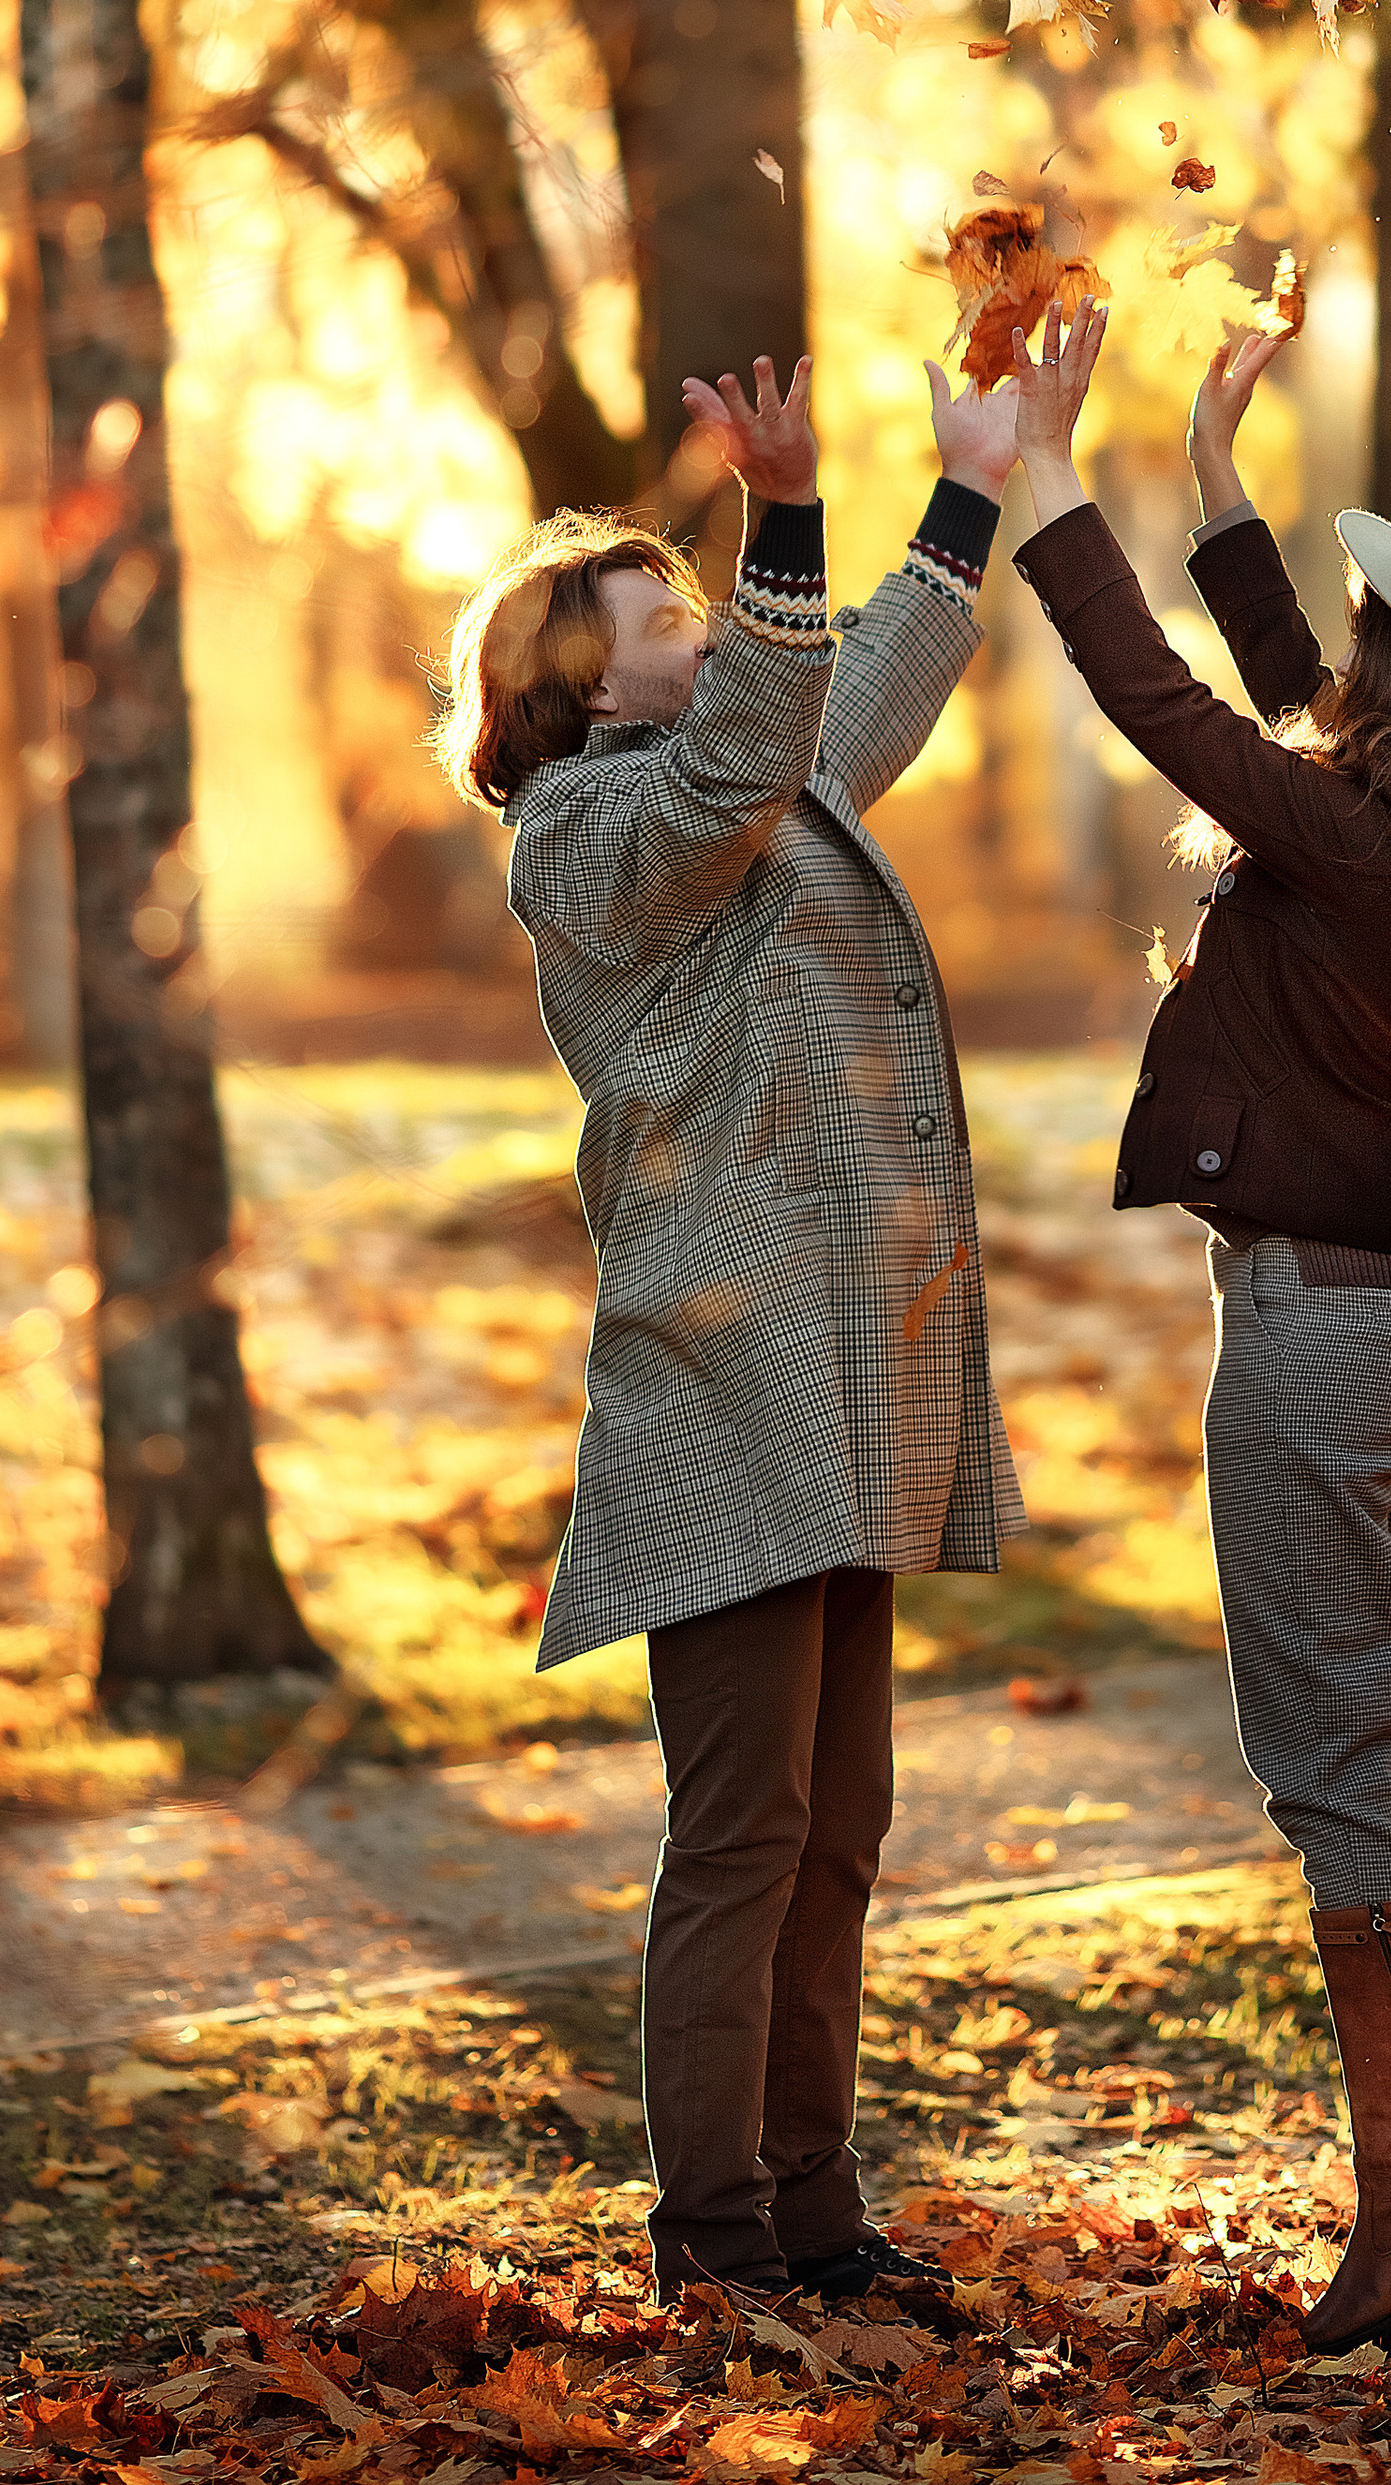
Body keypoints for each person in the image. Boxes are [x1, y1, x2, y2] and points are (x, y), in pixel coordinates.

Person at [1004, 297, 1391, 2355]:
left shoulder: (1373, 837)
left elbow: (1193, 726)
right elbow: (1283, 714)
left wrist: (1048, 488)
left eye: (1376, 631)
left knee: (1326, 1762)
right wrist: (1215, 479)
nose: (1348, 654)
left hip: (1314, 1335)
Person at [435, 351, 1025, 2320]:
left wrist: (961, 492)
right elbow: (747, 744)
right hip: (718, 1389)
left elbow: (844, 689)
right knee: (745, 1825)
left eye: (709, 604)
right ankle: (714, 2246)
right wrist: (779, 522)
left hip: (837, 1377)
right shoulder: (588, 839)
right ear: (585, 679)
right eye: (664, 612)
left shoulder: (749, 776)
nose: (710, 626)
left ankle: (814, 2213)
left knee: (835, 1821)